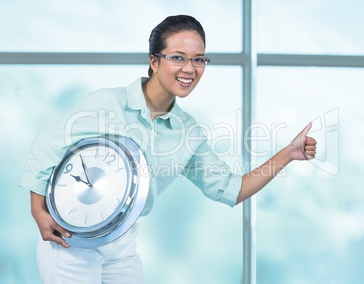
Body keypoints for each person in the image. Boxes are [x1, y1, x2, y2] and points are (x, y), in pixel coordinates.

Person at [20, 15, 317, 284]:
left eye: (199, 60)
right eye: (178, 57)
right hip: (69, 239)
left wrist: (288, 154)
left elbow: (230, 188)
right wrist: (37, 210)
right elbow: (46, 147)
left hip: (122, 243)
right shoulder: (106, 103)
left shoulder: (189, 133)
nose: (190, 69)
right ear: (154, 61)